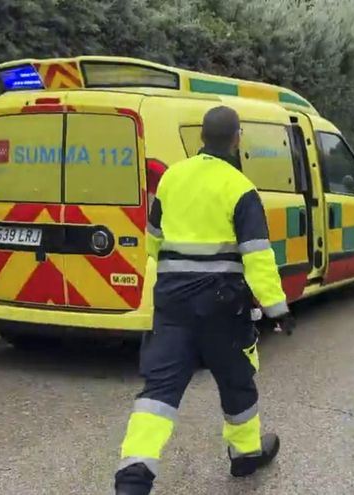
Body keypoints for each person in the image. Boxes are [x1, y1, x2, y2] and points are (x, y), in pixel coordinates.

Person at [114, 106, 295, 495]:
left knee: (159, 389)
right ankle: (246, 454)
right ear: (237, 138)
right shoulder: (240, 187)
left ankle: (134, 473)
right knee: (235, 377)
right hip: (221, 305)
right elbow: (257, 256)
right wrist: (277, 308)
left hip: (173, 302)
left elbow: (153, 240)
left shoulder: (171, 178)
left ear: (201, 138)